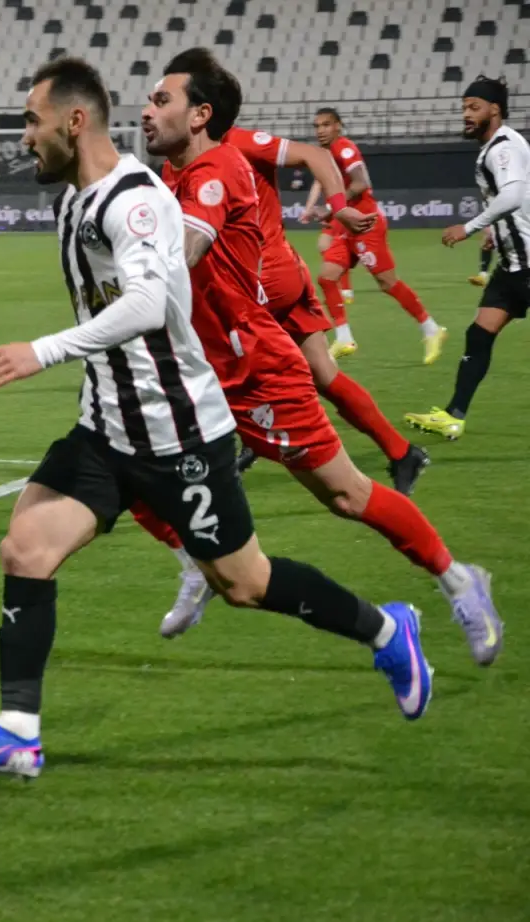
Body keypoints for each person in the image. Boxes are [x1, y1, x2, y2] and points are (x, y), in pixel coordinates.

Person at [0, 58, 434, 781]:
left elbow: (149, 305)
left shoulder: (133, 200)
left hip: (179, 432)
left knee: (245, 584)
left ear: (75, 121)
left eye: (33, 122)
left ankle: (387, 630)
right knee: (25, 550)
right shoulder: (75, 199)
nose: (24, 137)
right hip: (107, 428)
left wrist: (43, 351)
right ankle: (17, 733)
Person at [132, 49, 499, 667]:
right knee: (120, 458)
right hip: (198, 369)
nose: (146, 109)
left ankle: (460, 581)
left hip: (255, 369)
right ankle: (195, 563)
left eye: (160, 99)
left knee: (347, 496)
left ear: (200, 114)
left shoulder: (218, 167)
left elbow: (189, 247)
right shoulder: (171, 174)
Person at [222, 125, 428, 493]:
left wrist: (338, 207)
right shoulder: (194, 156)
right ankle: (402, 452)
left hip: (262, 277)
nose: (150, 112)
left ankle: (243, 445)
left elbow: (314, 156)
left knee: (212, 363)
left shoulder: (234, 142)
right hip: (283, 270)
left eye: (162, 101)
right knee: (323, 373)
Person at [406, 77, 530, 441]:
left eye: (474, 107)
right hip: (512, 265)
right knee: (478, 334)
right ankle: (453, 416)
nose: (466, 114)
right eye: (464, 108)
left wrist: (470, 227)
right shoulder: (499, 145)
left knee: (479, 336)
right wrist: (495, 230)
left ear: (495, 109)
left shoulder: (502, 148)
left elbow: (512, 196)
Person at [304, 108, 446, 363]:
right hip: (349, 226)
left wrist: (332, 208)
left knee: (387, 283)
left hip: (366, 224)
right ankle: (344, 338)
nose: (320, 130)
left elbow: (361, 183)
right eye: (317, 126)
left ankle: (431, 328)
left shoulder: (344, 148)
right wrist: (328, 212)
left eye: (326, 125)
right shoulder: (327, 154)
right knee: (327, 277)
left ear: (338, 126)